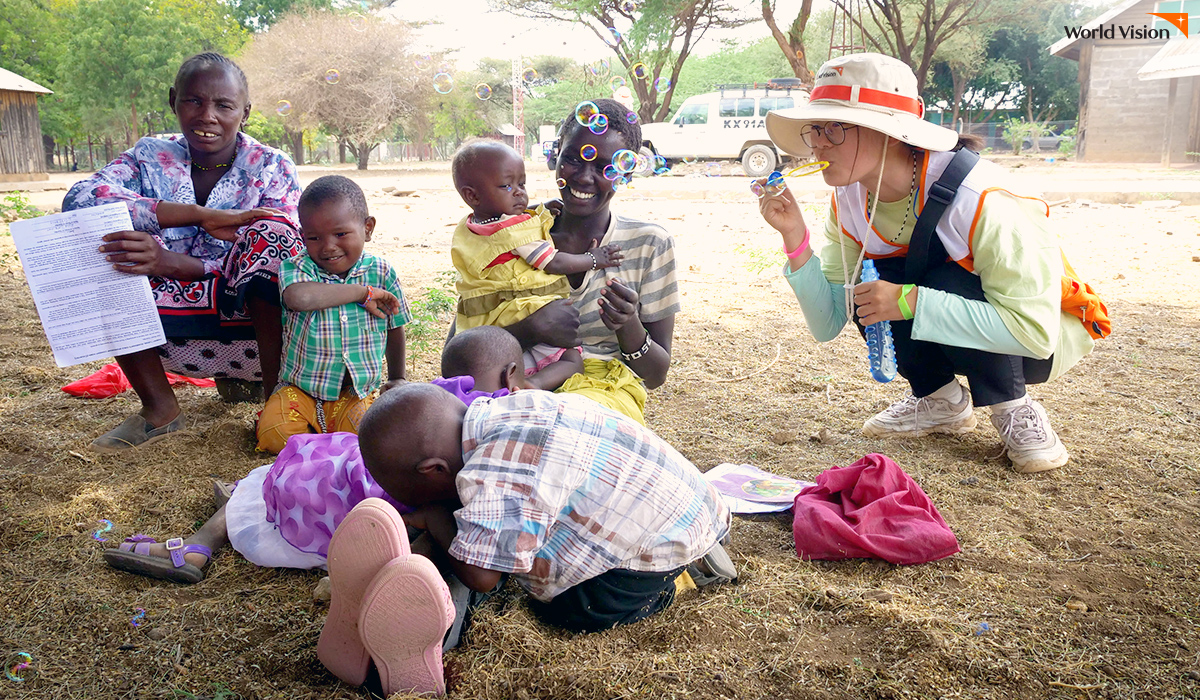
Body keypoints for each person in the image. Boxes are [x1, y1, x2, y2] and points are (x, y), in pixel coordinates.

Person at [757, 53, 1105, 473]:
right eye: (814, 128)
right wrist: (794, 236)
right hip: (963, 327)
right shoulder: (848, 199)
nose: (817, 142)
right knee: (872, 279)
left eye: (835, 127)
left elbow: (1034, 334)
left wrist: (909, 302)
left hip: (1040, 337)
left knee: (938, 275)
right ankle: (940, 399)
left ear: (889, 133)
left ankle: (1014, 409)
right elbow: (829, 319)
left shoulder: (983, 198)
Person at [317, 382, 735, 697]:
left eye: (400, 491)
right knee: (466, 532)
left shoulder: (494, 475)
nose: (399, 501)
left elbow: (483, 576)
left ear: (434, 470)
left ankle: (672, 584)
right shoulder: (506, 410)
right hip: (689, 503)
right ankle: (407, 575)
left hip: (654, 548)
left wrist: (432, 516)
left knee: (571, 609)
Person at [100, 325, 530, 584]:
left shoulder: (446, 398)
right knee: (303, 486)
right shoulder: (502, 431)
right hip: (376, 504)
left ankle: (201, 541)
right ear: (512, 378)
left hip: (337, 474)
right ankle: (236, 516)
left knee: (292, 471)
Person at [62, 52, 304, 452]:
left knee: (273, 233)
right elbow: (80, 198)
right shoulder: (148, 156)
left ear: (245, 112)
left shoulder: (272, 166)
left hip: (252, 330)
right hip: (160, 330)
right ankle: (160, 410)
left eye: (224, 105)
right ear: (173, 100)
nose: (207, 115)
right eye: (194, 100)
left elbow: (288, 253)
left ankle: (276, 407)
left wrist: (173, 263)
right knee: (96, 243)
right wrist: (195, 215)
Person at [462, 98, 682, 426]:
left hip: (602, 394)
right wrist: (529, 328)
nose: (583, 177)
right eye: (573, 160)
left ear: (625, 172)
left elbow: (655, 375)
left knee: (559, 429)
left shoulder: (650, 244)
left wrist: (628, 325)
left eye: (604, 167)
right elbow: (457, 355)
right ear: (555, 157)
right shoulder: (509, 232)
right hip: (511, 384)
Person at [255, 175, 410, 454]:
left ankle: (322, 440)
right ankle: (315, 438)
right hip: (301, 391)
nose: (328, 246)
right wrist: (361, 293)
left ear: (367, 228)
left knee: (371, 437)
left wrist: (398, 377)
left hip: (355, 393)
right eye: (314, 237)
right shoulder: (297, 268)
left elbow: (394, 326)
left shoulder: (382, 272)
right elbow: (299, 298)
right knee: (274, 435)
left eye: (340, 234)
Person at [450, 139, 619, 391]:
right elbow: (552, 261)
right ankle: (533, 383)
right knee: (573, 360)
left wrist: (534, 209)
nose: (519, 192)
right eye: (507, 186)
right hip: (526, 312)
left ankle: (520, 376)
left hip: (491, 323)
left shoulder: (473, 225)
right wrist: (594, 258)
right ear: (472, 195)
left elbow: (499, 216)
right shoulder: (516, 233)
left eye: (522, 184)